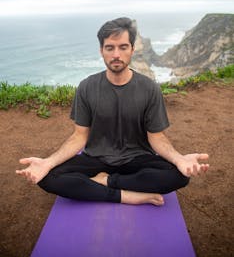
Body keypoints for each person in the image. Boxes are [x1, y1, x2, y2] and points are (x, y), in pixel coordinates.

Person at [16, 17, 209, 206]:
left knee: (180, 176)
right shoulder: (86, 87)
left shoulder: (149, 88)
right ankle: (127, 195)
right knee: (47, 177)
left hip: (136, 158)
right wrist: (48, 162)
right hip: (96, 158)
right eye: (110, 47)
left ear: (132, 49)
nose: (116, 54)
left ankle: (105, 183)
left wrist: (180, 159)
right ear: (102, 51)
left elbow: (156, 137)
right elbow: (79, 136)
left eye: (123, 47)